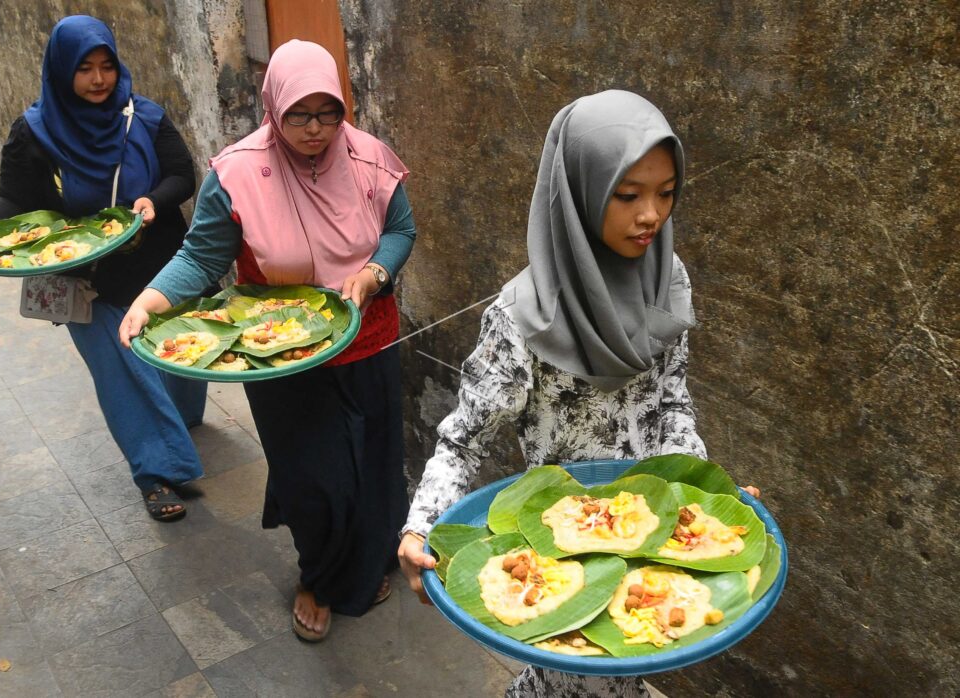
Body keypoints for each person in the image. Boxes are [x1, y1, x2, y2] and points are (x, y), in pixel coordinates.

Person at [397, 90, 759, 696]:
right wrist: (419, 528)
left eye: (666, 193)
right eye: (628, 195)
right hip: (561, 559)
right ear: (580, 190)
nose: (651, 216)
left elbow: (672, 404)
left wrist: (708, 494)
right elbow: (463, 441)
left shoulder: (666, 282)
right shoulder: (522, 317)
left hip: (654, 544)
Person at [118, 39, 416, 642]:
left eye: (328, 112)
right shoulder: (237, 173)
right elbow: (201, 257)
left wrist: (373, 273)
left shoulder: (370, 160)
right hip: (278, 352)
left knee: (373, 466)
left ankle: (365, 558)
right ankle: (319, 575)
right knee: (315, 475)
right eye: (298, 114)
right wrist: (151, 300)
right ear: (272, 107)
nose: (315, 130)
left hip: (369, 340)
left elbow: (400, 229)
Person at [0, 15, 207, 522]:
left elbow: (183, 173)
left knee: (179, 354)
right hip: (85, 277)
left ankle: (179, 421)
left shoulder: (146, 118)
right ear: (60, 71)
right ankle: (157, 471)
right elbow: (13, 196)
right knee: (122, 368)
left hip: (158, 264)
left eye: (106, 66)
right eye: (85, 69)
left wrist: (152, 201)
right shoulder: (35, 133)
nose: (98, 80)